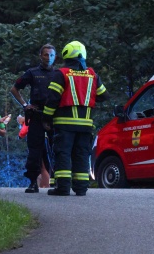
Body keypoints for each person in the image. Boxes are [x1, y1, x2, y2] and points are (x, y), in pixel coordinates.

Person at [42, 40, 107, 196]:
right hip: (85, 124)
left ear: (66, 55)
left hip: (64, 124)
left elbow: (52, 99)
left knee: (63, 153)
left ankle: (63, 187)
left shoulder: (61, 73)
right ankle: (81, 187)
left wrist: (46, 118)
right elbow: (104, 95)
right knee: (81, 154)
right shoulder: (92, 74)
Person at [10, 44, 56, 193]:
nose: (48, 58)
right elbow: (14, 88)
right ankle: (32, 182)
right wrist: (25, 105)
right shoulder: (32, 73)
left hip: (54, 117)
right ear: (40, 56)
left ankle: (59, 181)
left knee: (58, 148)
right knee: (34, 150)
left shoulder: (59, 74)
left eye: (51, 55)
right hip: (36, 116)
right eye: (46, 55)